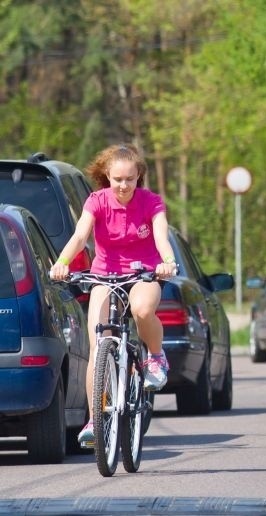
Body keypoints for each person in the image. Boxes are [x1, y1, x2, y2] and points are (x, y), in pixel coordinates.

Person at [50, 144, 178, 446]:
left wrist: (168, 263)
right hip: (104, 275)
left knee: (143, 310)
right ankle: (95, 420)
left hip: (144, 272)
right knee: (98, 345)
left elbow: (161, 237)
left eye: (129, 179)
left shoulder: (152, 203)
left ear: (139, 177)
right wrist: (61, 263)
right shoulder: (96, 201)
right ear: (107, 176)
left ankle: (156, 357)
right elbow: (81, 236)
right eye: (117, 179)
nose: (123, 185)